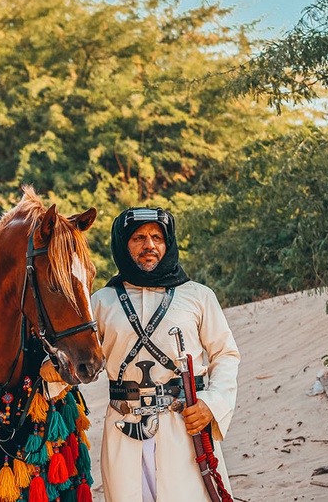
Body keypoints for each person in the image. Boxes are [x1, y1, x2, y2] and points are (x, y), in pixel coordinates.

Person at [91, 207, 240, 502]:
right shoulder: (101, 302)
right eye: (138, 238)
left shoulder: (197, 296)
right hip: (124, 427)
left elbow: (225, 354)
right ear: (123, 244)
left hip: (185, 427)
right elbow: (76, 360)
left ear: (168, 243)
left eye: (157, 237)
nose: (149, 245)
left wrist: (212, 403)